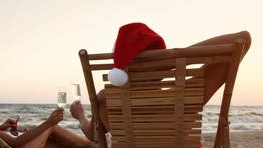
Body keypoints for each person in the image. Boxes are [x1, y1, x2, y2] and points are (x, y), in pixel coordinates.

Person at [70, 30, 252, 141]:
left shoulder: (105, 98)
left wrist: (81, 117)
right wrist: (174, 61)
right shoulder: (185, 97)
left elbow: (93, 136)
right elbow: (242, 39)